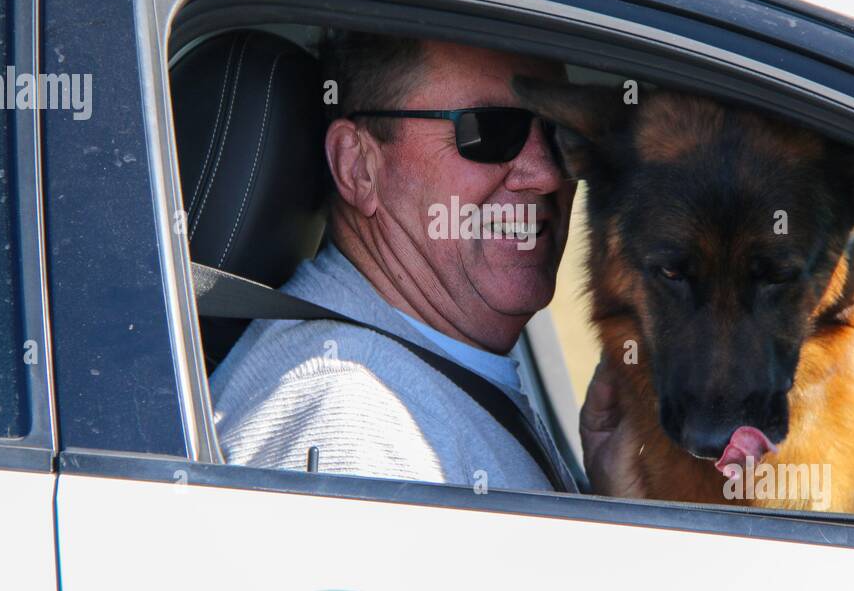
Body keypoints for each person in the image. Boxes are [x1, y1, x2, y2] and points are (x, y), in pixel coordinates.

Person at [211, 31, 620, 493]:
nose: (547, 174)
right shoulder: (355, 426)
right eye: (488, 131)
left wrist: (616, 501)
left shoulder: (413, 373)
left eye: (561, 134)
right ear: (358, 167)